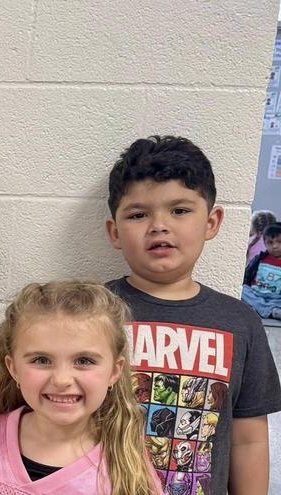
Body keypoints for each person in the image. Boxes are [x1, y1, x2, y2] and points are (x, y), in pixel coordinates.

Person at [104, 135, 281, 494]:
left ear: (212, 222)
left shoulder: (241, 322)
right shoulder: (89, 309)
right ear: (115, 232)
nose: (159, 225)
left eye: (180, 210)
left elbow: (248, 440)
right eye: (138, 214)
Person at [0, 281, 161, 495]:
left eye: (84, 361)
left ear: (115, 371)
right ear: (13, 368)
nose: (62, 379)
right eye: (41, 360)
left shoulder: (127, 467)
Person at [242, 222, 281, 319]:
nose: (275, 246)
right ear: (264, 243)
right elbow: (246, 277)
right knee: (242, 290)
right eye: (270, 242)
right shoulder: (259, 259)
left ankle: (259, 309)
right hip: (256, 294)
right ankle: (271, 311)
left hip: (275, 298)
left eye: (279, 242)